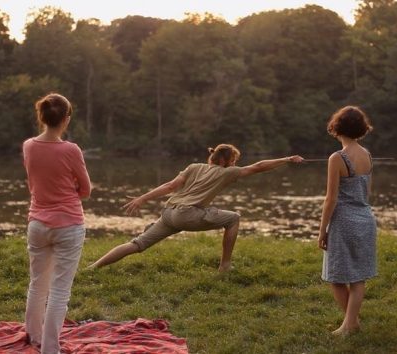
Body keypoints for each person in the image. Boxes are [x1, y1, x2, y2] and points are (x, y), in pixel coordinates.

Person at [87, 144, 304, 272]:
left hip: (169, 213)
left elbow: (170, 186)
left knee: (137, 243)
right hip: (187, 214)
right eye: (234, 160)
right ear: (227, 160)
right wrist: (287, 159)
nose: (235, 163)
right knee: (234, 218)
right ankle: (225, 266)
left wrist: (143, 198)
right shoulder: (227, 172)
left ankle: (93, 268)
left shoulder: (193, 167)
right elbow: (258, 167)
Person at [22, 93, 91, 353]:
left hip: (37, 224)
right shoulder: (71, 149)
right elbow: (85, 190)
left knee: (37, 283)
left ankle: (32, 336)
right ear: (66, 119)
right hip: (68, 226)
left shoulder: (28, 145)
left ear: (41, 117)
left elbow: (36, 181)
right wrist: (69, 187)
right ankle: (50, 349)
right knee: (60, 290)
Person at [318, 106, 377, 336]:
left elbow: (330, 199)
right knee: (358, 276)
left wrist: (322, 230)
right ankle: (352, 323)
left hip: (343, 223)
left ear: (337, 127)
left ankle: (350, 324)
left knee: (336, 276)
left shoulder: (337, 158)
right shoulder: (368, 155)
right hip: (365, 219)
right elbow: (367, 193)